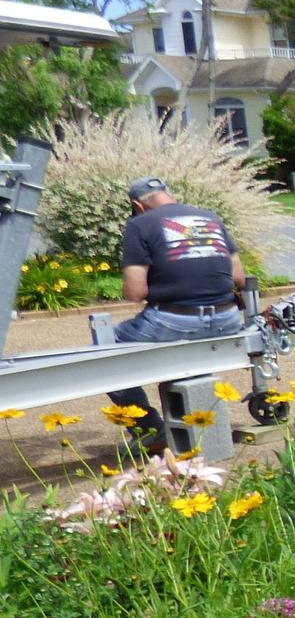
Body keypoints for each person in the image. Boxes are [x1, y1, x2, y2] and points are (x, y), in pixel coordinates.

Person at [106, 177, 245, 451]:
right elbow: (239, 277)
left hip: (173, 320)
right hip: (228, 320)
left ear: (137, 205)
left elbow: (134, 291)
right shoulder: (209, 217)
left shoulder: (140, 224)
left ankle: (149, 430)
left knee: (105, 350)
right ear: (167, 195)